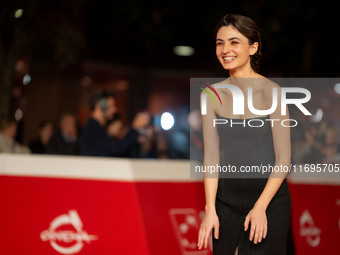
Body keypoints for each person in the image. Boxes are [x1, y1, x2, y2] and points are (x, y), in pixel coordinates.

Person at [197, 14, 291, 254]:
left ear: (253, 47)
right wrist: (210, 209)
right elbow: (211, 158)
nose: (225, 49)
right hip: (226, 203)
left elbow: (283, 159)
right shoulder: (210, 95)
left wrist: (260, 208)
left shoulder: (272, 93)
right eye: (220, 43)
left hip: (269, 202)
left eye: (234, 42)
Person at [80, 90, 149, 157]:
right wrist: (135, 127)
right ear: (100, 106)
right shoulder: (93, 128)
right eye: (112, 106)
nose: (114, 110)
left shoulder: (96, 127)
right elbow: (118, 149)